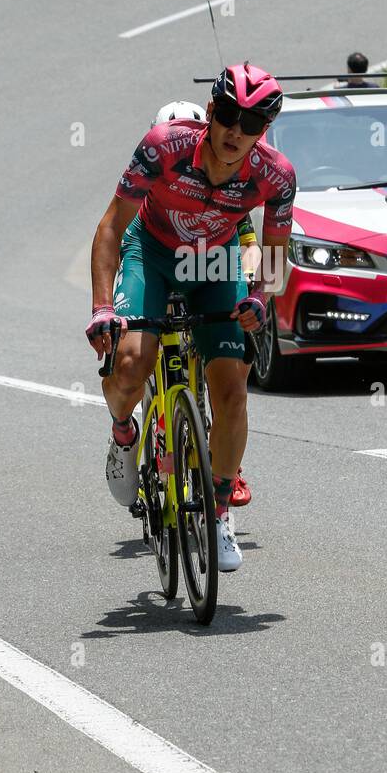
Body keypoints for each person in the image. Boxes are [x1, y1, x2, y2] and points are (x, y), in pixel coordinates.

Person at [89, 64, 296, 572]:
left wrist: (260, 300)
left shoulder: (276, 176)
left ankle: (219, 510)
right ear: (210, 112)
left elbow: (273, 253)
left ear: (263, 130)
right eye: (228, 115)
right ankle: (123, 430)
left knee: (231, 392)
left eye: (251, 124)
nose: (235, 132)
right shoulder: (164, 146)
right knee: (132, 364)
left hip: (215, 262)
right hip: (152, 254)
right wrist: (100, 308)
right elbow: (112, 227)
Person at [152, 99, 258, 519]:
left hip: (208, 283)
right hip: (163, 281)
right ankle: (149, 425)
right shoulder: (154, 175)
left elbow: (250, 247)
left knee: (232, 373)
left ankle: (229, 461)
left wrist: (249, 281)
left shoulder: (231, 188)